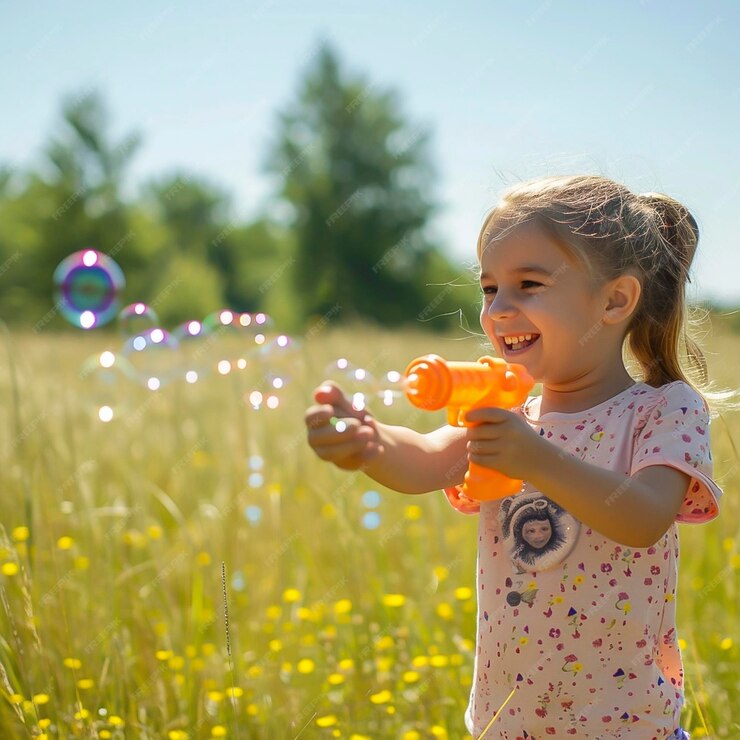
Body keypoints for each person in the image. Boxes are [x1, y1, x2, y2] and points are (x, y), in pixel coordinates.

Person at [304, 175, 726, 739]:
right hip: (510, 723)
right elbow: (429, 457)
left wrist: (539, 460)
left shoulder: (662, 409)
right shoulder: (509, 415)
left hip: (625, 724)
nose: (498, 310)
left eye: (528, 284)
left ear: (615, 300)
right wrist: (373, 443)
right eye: (488, 289)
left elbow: (646, 517)